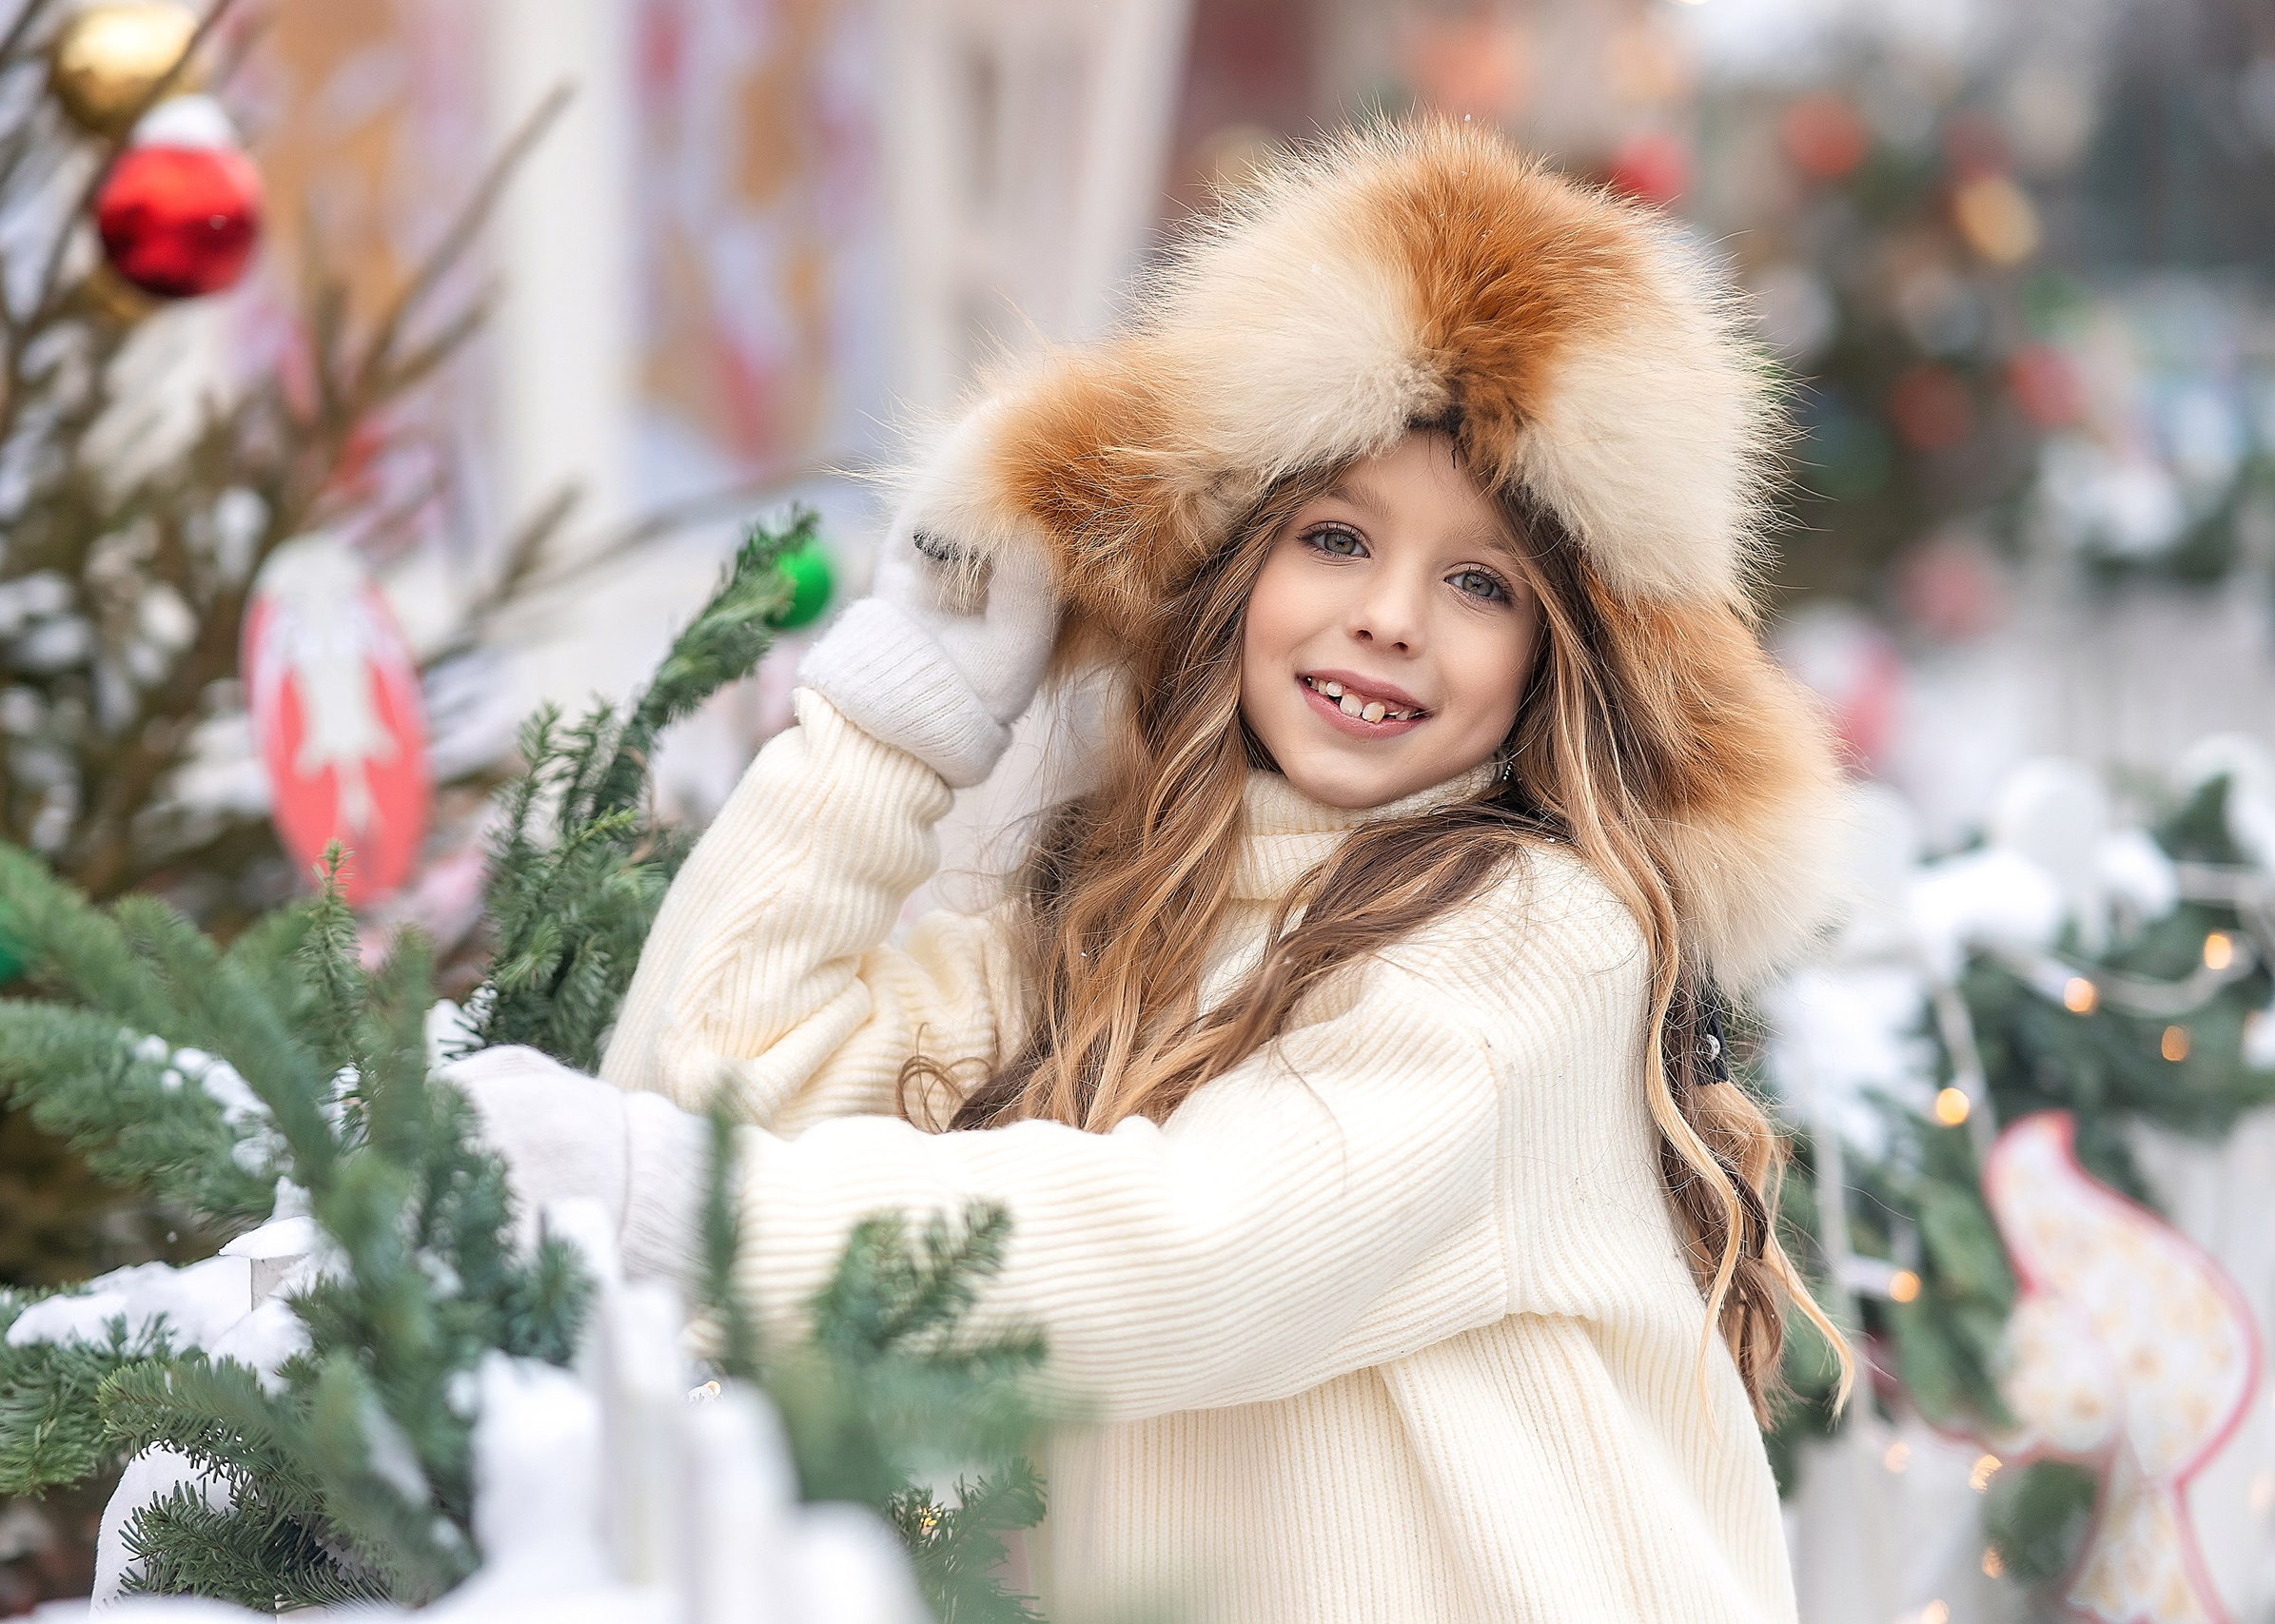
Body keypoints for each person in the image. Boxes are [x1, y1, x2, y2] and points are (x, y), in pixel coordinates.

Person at [452, 118, 1854, 1623]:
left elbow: (1190, 1252)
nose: (1389, 617)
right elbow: (708, 1093)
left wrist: (676, 1205)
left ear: (1557, 657)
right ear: (1229, 569)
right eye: (1333, 536)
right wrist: (899, 709)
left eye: (1478, 581)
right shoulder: (1105, 923)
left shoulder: (1534, 945)